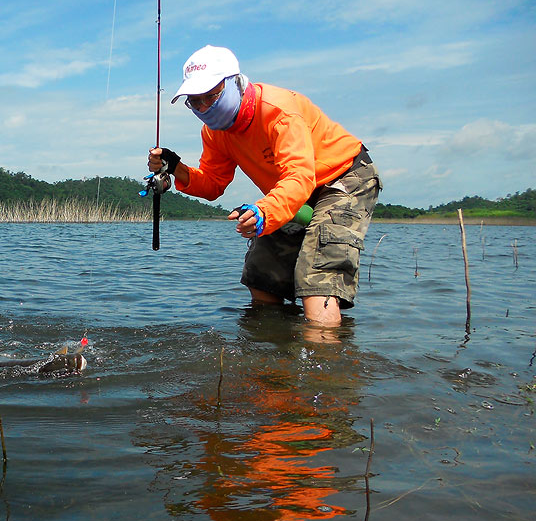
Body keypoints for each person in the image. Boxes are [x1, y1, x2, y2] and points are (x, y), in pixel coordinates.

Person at [148, 45, 381, 327]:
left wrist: (263, 212)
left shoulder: (279, 112)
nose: (203, 109)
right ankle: (271, 355)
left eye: (210, 97)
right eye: (194, 102)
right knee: (261, 276)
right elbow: (212, 184)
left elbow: (300, 176)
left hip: (343, 176)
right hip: (292, 192)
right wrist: (177, 169)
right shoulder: (215, 132)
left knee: (318, 280)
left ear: (236, 83)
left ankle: (324, 363)